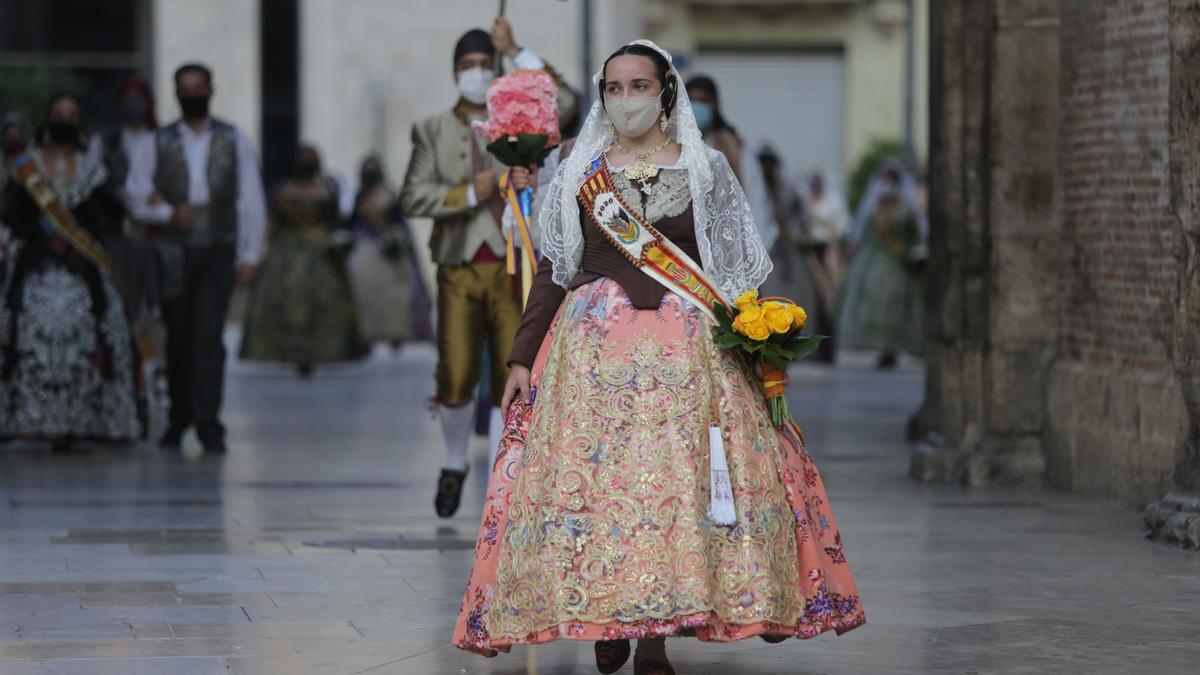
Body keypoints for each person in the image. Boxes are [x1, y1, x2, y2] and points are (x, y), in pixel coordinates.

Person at [453, 40, 865, 674]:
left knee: (674, 492)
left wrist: (761, 345)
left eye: (638, 86)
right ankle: (607, 616)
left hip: (688, 355)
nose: (625, 100)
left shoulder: (706, 168)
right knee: (595, 491)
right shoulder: (579, 168)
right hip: (591, 357)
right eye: (613, 89)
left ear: (665, 92)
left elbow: (730, 275)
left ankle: (654, 640)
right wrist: (519, 357)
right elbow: (554, 270)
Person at [400, 18, 570, 518]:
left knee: (509, 370)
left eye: (483, 65)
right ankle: (454, 461)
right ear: (453, 72)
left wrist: (516, 51)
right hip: (458, 264)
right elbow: (411, 195)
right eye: (466, 66)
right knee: (453, 372)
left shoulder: (522, 115)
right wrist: (467, 192)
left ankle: (504, 473)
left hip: (514, 262)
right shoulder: (431, 128)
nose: (475, 73)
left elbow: (564, 100)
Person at [135, 63, 267, 453]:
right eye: (185, 88)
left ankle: (209, 421)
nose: (192, 93)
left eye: (198, 87)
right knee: (178, 338)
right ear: (175, 93)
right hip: (173, 252)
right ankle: (179, 418)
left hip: (217, 249)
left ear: (211, 90)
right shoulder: (156, 142)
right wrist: (165, 213)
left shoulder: (233, 139)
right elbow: (134, 192)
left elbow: (252, 198)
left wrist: (251, 253)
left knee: (208, 338)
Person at [0, 95, 141, 452]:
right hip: (35, 266)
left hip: (82, 269)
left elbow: (110, 216)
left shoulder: (92, 171)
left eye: (72, 116)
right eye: (59, 114)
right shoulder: (27, 169)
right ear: (47, 119)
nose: (65, 120)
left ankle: (83, 420)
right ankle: (28, 418)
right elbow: (11, 217)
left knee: (104, 326)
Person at [240, 145, 364, 374]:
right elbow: (274, 225)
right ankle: (290, 353)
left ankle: (318, 353)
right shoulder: (284, 193)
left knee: (324, 301)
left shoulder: (327, 191)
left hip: (321, 254)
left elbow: (335, 222)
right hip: (287, 254)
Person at [836, 158, 926, 368]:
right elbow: (861, 233)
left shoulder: (906, 208)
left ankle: (891, 348)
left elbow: (915, 234)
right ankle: (880, 347)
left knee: (896, 305)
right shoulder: (873, 209)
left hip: (897, 262)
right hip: (872, 261)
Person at [347, 154, 433, 348]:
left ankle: (397, 333)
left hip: (389, 252)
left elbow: (399, 224)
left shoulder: (389, 196)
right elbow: (352, 224)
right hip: (365, 248)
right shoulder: (360, 198)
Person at [756, 146, 834, 363]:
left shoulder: (787, 189)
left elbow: (799, 218)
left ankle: (796, 341)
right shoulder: (756, 189)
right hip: (766, 248)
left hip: (787, 247)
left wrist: (793, 234)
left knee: (798, 293)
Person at [801, 168, 851, 284]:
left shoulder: (834, 200)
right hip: (813, 245)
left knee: (834, 273)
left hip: (831, 243)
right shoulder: (808, 199)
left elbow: (840, 225)